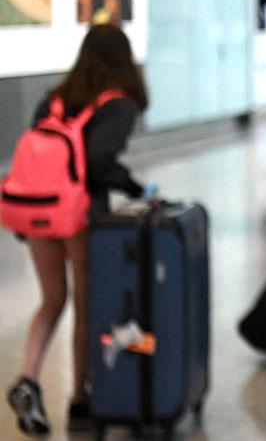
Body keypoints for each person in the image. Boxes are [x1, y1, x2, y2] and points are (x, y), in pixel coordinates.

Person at [6, 24, 149, 436]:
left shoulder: (53, 100)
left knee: (52, 300)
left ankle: (29, 377)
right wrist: (133, 186)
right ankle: (80, 400)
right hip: (80, 216)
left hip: (38, 212)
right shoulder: (117, 105)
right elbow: (99, 160)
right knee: (88, 305)